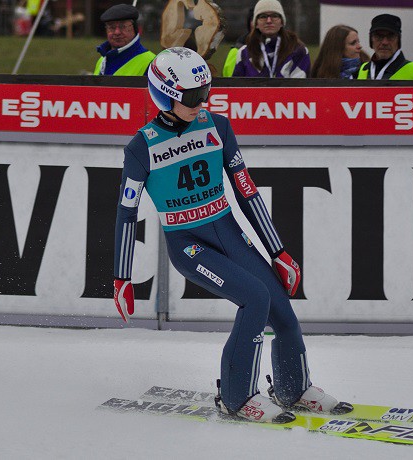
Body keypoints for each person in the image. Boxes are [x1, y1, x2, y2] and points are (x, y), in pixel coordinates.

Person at [112, 47, 350, 423]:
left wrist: (278, 251)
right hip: (188, 245)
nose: (202, 102)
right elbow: (127, 214)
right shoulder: (141, 146)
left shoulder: (218, 125)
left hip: (228, 232)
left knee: (281, 309)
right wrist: (121, 278)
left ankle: (294, 387)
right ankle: (236, 397)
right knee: (254, 298)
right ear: (164, 94)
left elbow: (247, 190)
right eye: (192, 96)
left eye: (206, 91)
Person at [231, 0, 310, 78]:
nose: (269, 21)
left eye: (274, 16)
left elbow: (300, 88)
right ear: (256, 24)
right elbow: (236, 88)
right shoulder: (243, 53)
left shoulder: (299, 51)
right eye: (263, 17)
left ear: (282, 22)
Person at [357, 14, 413, 80]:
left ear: (398, 40)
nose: (384, 42)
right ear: (371, 40)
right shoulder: (362, 70)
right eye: (379, 36)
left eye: (390, 36)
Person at [94, 4, 156, 76]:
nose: (117, 32)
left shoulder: (152, 64)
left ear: (135, 29)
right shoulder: (102, 60)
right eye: (112, 27)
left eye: (123, 26)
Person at [222, 7, 254, 77]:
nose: (268, 21)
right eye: (254, 19)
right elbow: (230, 81)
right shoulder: (238, 50)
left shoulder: (280, 48)